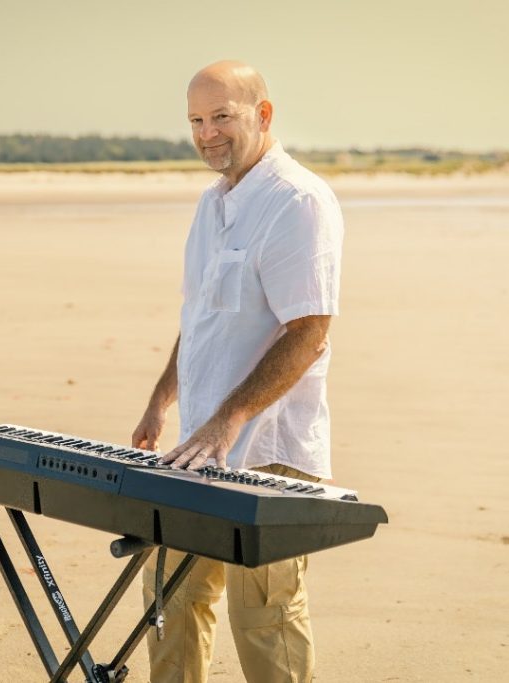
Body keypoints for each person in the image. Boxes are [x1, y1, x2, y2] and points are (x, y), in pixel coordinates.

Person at [131, 60, 344, 683]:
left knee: (265, 619)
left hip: (270, 455)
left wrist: (230, 423)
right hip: (200, 448)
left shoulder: (298, 202)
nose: (208, 133)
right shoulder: (211, 203)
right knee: (169, 598)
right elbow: (200, 318)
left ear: (263, 114)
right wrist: (160, 401)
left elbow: (309, 332)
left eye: (222, 116)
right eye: (196, 120)